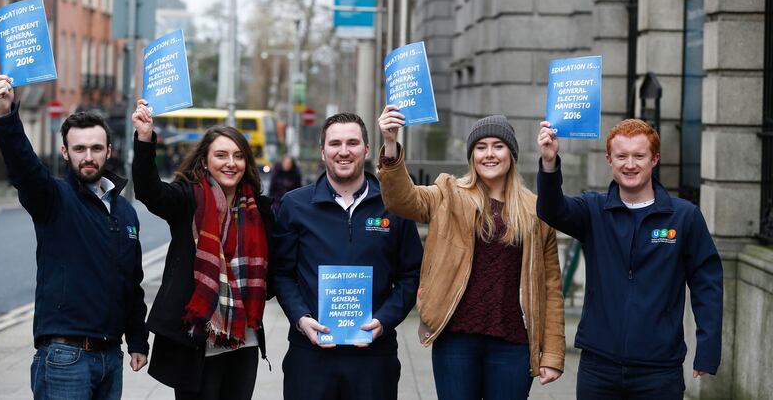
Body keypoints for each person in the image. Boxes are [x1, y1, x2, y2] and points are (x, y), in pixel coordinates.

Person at [377, 106, 565, 399]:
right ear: (471, 156)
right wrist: (390, 144)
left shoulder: (535, 211)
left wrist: (552, 353)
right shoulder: (448, 194)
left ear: (511, 155)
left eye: (498, 146)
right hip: (456, 339)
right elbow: (403, 200)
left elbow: (551, 286)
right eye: (481, 147)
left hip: (514, 343)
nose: (489, 154)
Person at [536, 119, 724, 399]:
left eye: (639, 156)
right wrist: (549, 162)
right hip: (598, 367)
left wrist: (707, 350)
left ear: (655, 159)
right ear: (609, 160)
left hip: (659, 370)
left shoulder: (684, 217)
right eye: (621, 156)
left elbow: (707, 283)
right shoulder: (593, 210)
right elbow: (552, 210)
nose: (630, 164)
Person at [0, 75, 149, 399]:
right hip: (65, 358)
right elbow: (24, 167)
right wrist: (6, 114)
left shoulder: (125, 212)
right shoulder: (53, 199)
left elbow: (131, 282)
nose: (87, 156)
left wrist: (137, 340)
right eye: (79, 148)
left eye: (95, 148)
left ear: (108, 151)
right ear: (65, 152)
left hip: (111, 357)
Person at [273, 112, 423, 400]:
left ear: (366, 150)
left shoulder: (394, 205)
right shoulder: (295, 205)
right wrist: (300, 318)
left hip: (373, 357)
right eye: (335, 143)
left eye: (352, 143)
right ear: (323, 151)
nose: (344, 151)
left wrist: (385, 320)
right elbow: (281, 273)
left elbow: (411, 274)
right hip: (310, 355)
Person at [131, 100, 275, 400]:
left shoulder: (259, 208)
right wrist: (145, 139)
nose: (230, 163)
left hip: (243, 339)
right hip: (196, 338)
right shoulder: (187, 200)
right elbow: (149, 191)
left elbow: (274, 266)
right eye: (220, 155)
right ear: (205, 161)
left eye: (237, 156)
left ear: (246, 162)